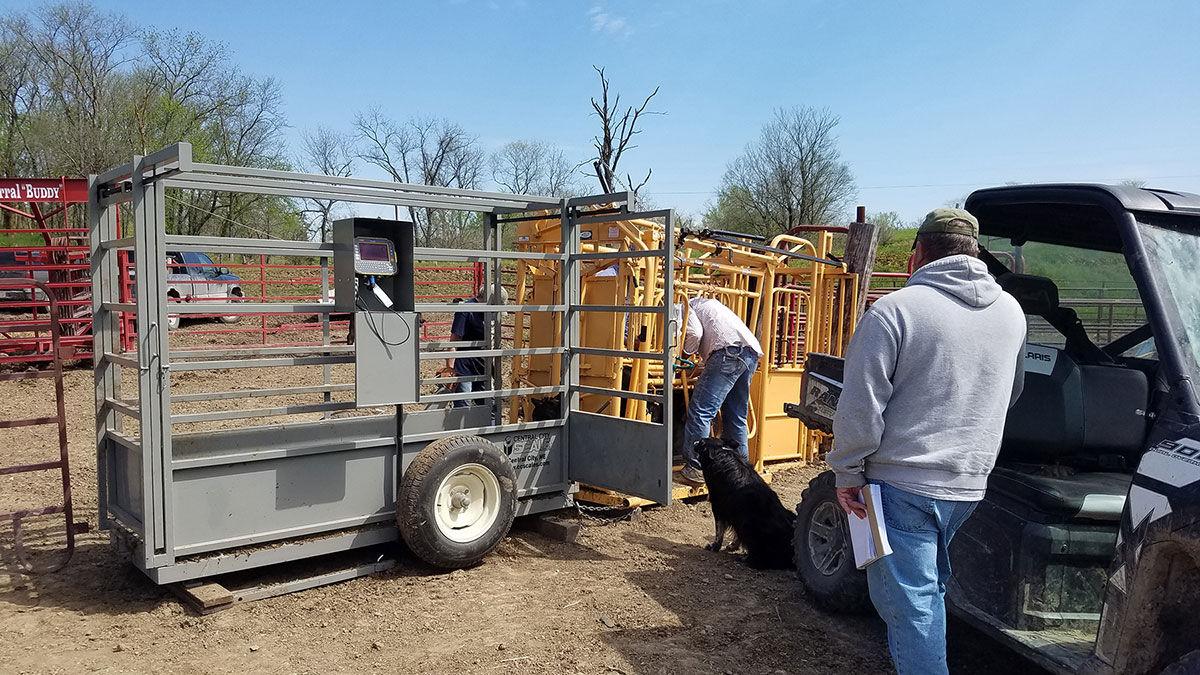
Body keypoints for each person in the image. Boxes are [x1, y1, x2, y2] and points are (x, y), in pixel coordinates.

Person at [827, 208, 1026, 675]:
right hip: (969, 483)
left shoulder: (896, 310)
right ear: (975, 253)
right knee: (928, 586)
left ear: (918, 254)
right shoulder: (1012, 313)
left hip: (903, 482)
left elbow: (860, 404)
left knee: (908, 603)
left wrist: (847, 472)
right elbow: (1012, 392)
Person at [678, 296, 764, 485]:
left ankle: (696, 468)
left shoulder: (685, 306)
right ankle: (741, 472)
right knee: (736, 415)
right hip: (749, 354)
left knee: (701, 411)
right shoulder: (713, 305)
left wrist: (681, 354)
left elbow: (694, 334)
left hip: (726, 353)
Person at [445, 285, 508, 407]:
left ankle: (487, 425)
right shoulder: (466, 310)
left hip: (483, 365)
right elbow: (454, 340)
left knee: (488, 404)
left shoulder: (489, 313)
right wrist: (450, 368)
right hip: (465, 366)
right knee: (463, 404)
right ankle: (463, 426)